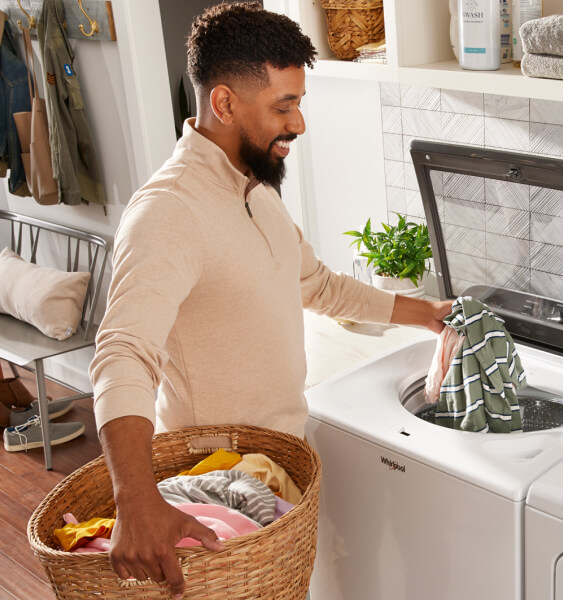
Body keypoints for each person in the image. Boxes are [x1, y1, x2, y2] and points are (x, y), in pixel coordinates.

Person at [88, 3, 451, 598]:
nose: (300, 123)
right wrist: (136, 501)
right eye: (283, 107)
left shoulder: (254, 187)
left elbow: (317, 284)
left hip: (273, 477)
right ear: (225, 104)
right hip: (213, 490)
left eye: (299, 103)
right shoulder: (168, 213)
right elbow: (122, 352)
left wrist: (425, 315)